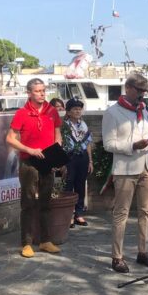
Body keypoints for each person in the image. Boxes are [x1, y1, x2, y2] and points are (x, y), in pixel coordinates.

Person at [102, 73, 148, 273]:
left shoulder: (145, 111)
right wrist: (132, 145)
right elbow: (108, 144)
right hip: (126, 168)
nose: (142, 94)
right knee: (121, 213)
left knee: (146, 211)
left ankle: (143, 252)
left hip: (147, 166)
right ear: (128, 88)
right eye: (139, 90)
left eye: (145, 90)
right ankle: (117, 257)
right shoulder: (112, 113)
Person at [6, 78, 63, 258]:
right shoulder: (22, 113)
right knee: (28, 203)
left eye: (43, 90)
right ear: (29, 93)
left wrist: (56, 156)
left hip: (47, 162)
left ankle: (46, 241)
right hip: (29, 162)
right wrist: (29, 150)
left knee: (46, 202)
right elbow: (10, 138)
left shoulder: (52, 111)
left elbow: (57, 135)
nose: (42, 93)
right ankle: (27, 243)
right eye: (38, 91)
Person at [62, 98, 93, 228]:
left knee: (80, 185)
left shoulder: (83, 125)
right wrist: (62, 163)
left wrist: (90, 160)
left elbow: (88, 143)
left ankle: (79, 213)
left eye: (80, 109)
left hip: (82, 157)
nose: (78, 111)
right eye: (75, 109)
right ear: (68, 112)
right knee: (69, 185)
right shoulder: (64, 126)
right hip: (69, 157)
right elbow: (61, 144)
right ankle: (68, 214)